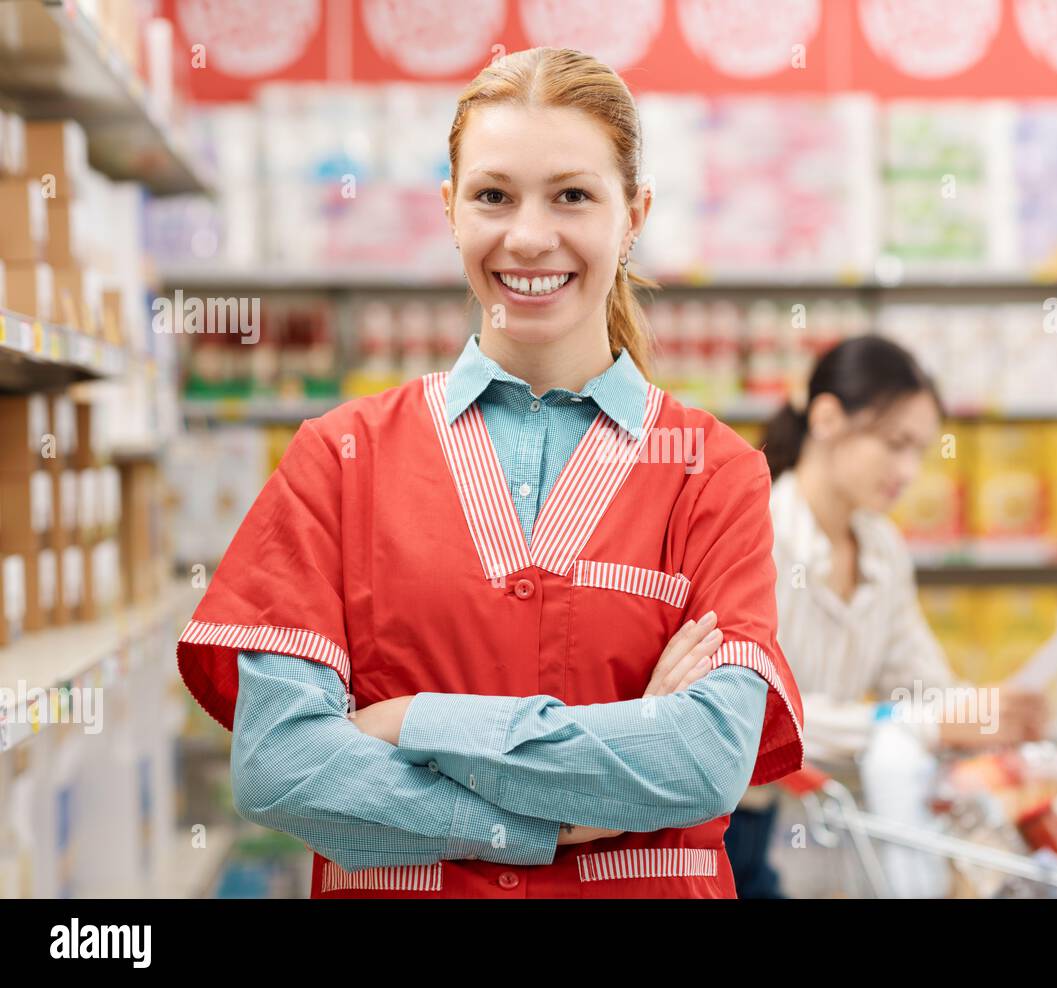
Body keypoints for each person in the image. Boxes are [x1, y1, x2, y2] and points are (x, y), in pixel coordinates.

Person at [175, 47, 804, 899]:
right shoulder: (340, 458)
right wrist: (573, 808)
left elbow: (701, 761)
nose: (530, 236)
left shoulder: (712, 473)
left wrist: (410, 723)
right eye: (494, 196)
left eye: (573, 195)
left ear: (635, 216)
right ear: (450, 211)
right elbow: (279, 764)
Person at [724, 335, 1047, 898]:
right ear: (827, 417)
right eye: (895, 443)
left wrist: (985, 714)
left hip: (834, 833)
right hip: (731, 830)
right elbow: (753, 716)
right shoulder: (756, 535)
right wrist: (926, 724)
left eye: (921, 450)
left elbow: (919, 680)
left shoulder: (882, 547)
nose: (909, 469)